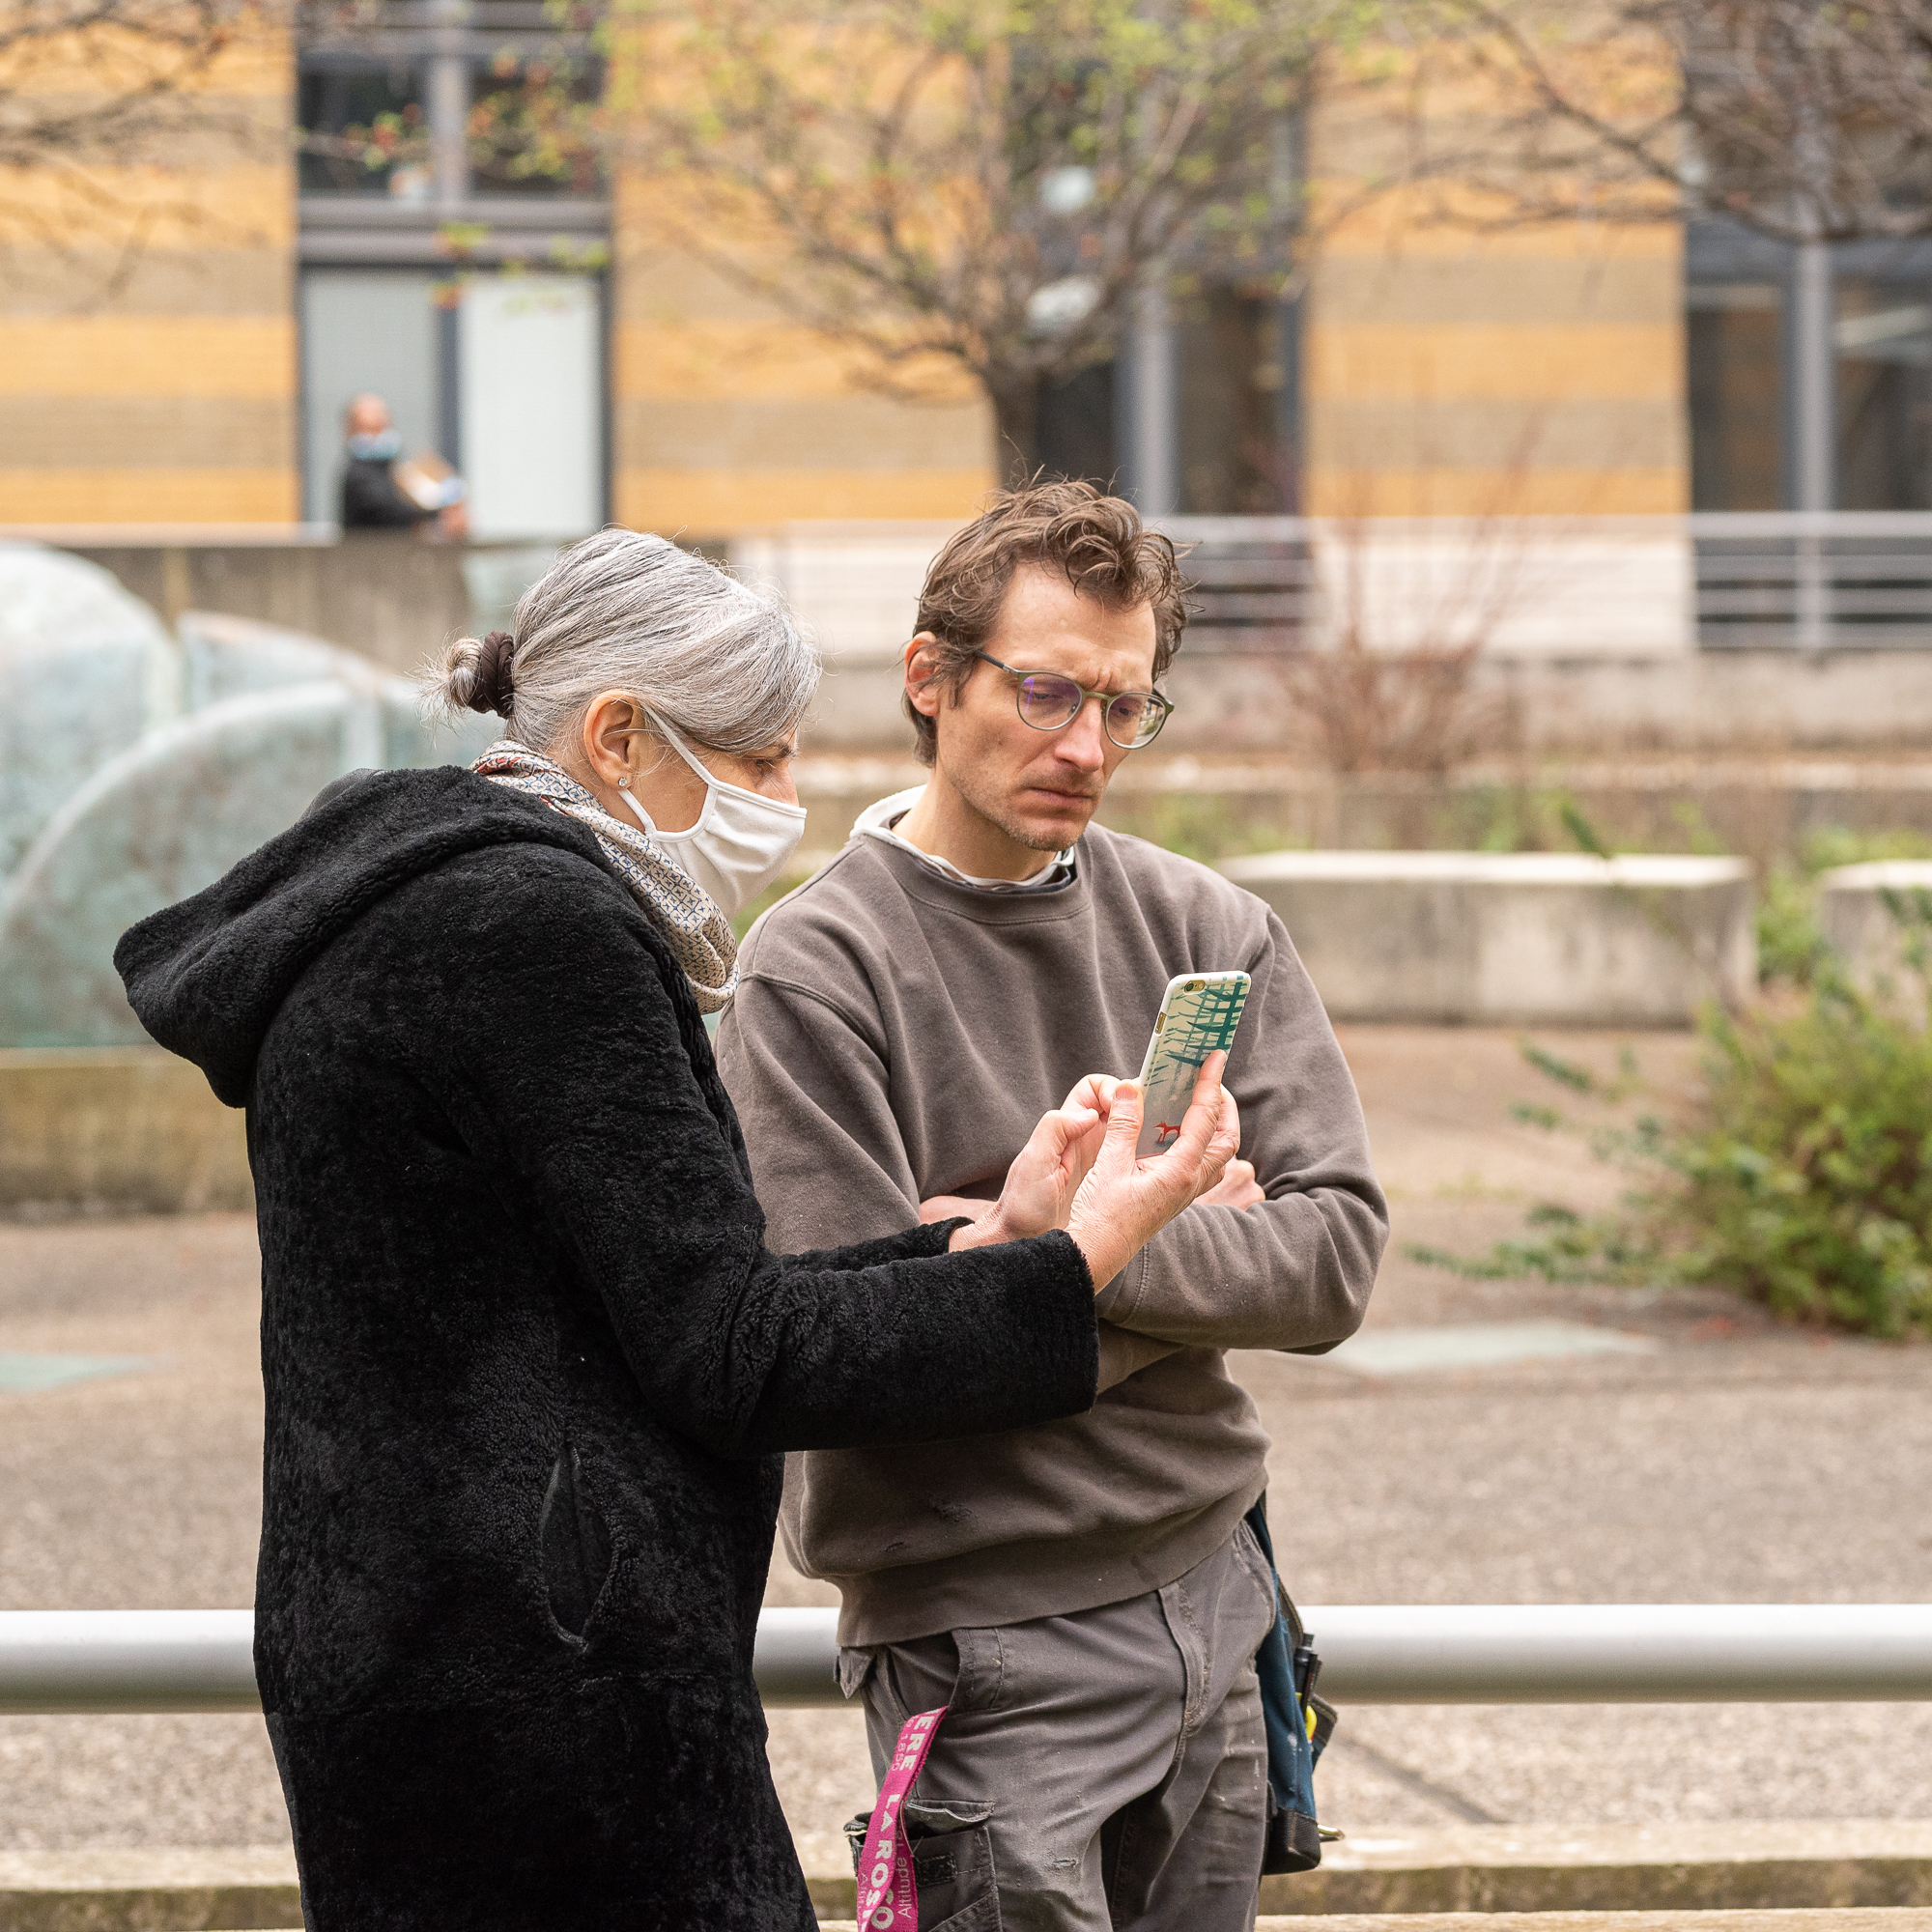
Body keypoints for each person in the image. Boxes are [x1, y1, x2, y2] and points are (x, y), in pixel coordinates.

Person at [111, 527, 1240, 1932]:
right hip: (553, 1680)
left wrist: (997, 1235)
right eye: (758, 757)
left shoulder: (410, 903)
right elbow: (736, 1350)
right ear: (620, 736)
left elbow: (655, 1294)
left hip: (417, 1652)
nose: (785, 793)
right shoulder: (538, 932)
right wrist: (1076, 1263)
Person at [716, 481, 1389, 1931]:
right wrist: (1174, 1231)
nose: (1084, 746)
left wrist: (1023, 1254)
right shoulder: (812, 974)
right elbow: (847, 1351)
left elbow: (1333, 1261)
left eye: (1124, 707)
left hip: (1218, 1595)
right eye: (1042, 692)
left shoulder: (1207, 924)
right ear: (927, 679)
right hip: (977, 1638)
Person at [338, 391, 468, 536]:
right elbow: (392, 511)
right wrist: (440, 513)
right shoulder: (358, 475)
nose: (379, 436)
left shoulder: (391, 471)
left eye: (383, 426)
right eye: (371, 429)